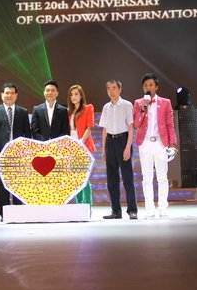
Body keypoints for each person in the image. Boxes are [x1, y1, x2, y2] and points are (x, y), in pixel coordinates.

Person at [133, 73, 178, 218]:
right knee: (146, 177)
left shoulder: (165, 102)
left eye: (151, 85)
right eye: (146, 85)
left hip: (160, 142)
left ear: (156, 87)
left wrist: (172, 143)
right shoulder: (138, 103)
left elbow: (170, 124)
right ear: (143, 88)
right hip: (145, 142)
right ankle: (150, 209)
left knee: (162, 177)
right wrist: (143, 107)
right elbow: (136, 124)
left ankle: (163, 208)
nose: (148, 87)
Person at [0, 82, 31, 220]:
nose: (9, 95)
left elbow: (27, 134)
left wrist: (27, 152)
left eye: (12, 93)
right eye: (7, 93)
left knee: (18, 184)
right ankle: (5, 214)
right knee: (3, 185)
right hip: (1, 154)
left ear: (16, 95)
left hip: (19, 154)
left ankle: (18, 213)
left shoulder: (23, 112)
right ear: (2, 95)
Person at [99, 80, 138, 220]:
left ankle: (132, 210)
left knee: (128, 179)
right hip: (110, 142)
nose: (111, 91)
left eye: (114, 88)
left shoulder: (127, 105)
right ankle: (116, 211)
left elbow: (131, 127)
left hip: (123, 141)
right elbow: (104, 129)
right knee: (111, 180)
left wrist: (127, 147)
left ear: (120, 89)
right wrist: (103, 149)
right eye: (109, 88)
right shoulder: (106, 107)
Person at [67, 84, 96, 206]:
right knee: (75, 178)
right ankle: (79, 205)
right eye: (71, 95)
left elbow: (89, 127)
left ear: (81, 96)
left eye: (76, 94)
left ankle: (87, 204)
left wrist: (81, 141)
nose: (74, 97)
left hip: (84, 146)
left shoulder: (88, 108)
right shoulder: (68, 112)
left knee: (84, 177)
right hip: (71, 148)